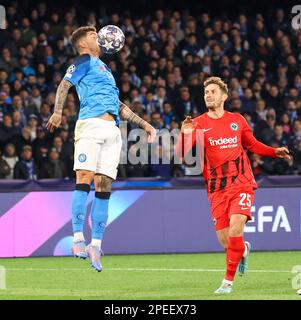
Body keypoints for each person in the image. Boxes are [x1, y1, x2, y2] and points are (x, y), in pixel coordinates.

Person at [46, 26, 156, 272]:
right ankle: (77, 239)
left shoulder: (105, 69)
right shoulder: (83, 60)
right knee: (84, 179)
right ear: (83, 44)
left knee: (104, 186)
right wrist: (57, 112)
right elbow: (64, 85)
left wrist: (144, 124)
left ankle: (96, 243)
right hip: (91, 126)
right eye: (94, 36)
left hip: (112, 131)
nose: (100, 38)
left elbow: (118, 105)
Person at [177, 77, 290, 293]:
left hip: (241, 183)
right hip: (216, 190)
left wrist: (274, 151)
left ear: (224, 96)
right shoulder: (199, 123)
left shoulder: (237, 120)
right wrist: (185, 134)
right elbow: (182, 155)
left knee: (237, 228)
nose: (208, 95)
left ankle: (227, 283)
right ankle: (244, 251)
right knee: (228, 244)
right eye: (206, 92)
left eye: (212, 91)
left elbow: (252, 144)